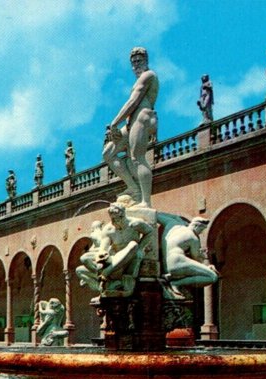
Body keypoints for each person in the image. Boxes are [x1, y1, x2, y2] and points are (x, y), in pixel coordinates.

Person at [102, 47, 159, 208]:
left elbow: (133, 102)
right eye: (133, 62)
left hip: (143, 117)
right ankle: (134, 188)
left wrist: (115, 123)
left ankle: (146, 202)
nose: (135, 64)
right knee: (108, 152)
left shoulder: (149, 76)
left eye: (139, 61)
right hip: (132, 121)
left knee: (137, 158)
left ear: (146, 60)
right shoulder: (139, 79)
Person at [75, 203, 156, 298]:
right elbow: (103, 249)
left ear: (123, 215)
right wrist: (101, 256)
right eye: (113, 219)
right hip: (114, 258)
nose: (116, 222)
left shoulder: (135, 224)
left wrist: (141, 249)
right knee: (83, 260)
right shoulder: (109, 229)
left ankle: (106, 274)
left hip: (128, 259)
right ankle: (105, 284)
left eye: (118, 218)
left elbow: (150, 232)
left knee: (133, 245)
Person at [161, 217, 218, 300]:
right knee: (213, 277)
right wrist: (206, 264)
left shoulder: (178, 229)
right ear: (196, 226)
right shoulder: (193, 237)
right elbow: (196, 257)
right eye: (201, 230)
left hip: (170, 263)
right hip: (178, 260)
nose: (201, 232)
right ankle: (176, 283)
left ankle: (172, 278)